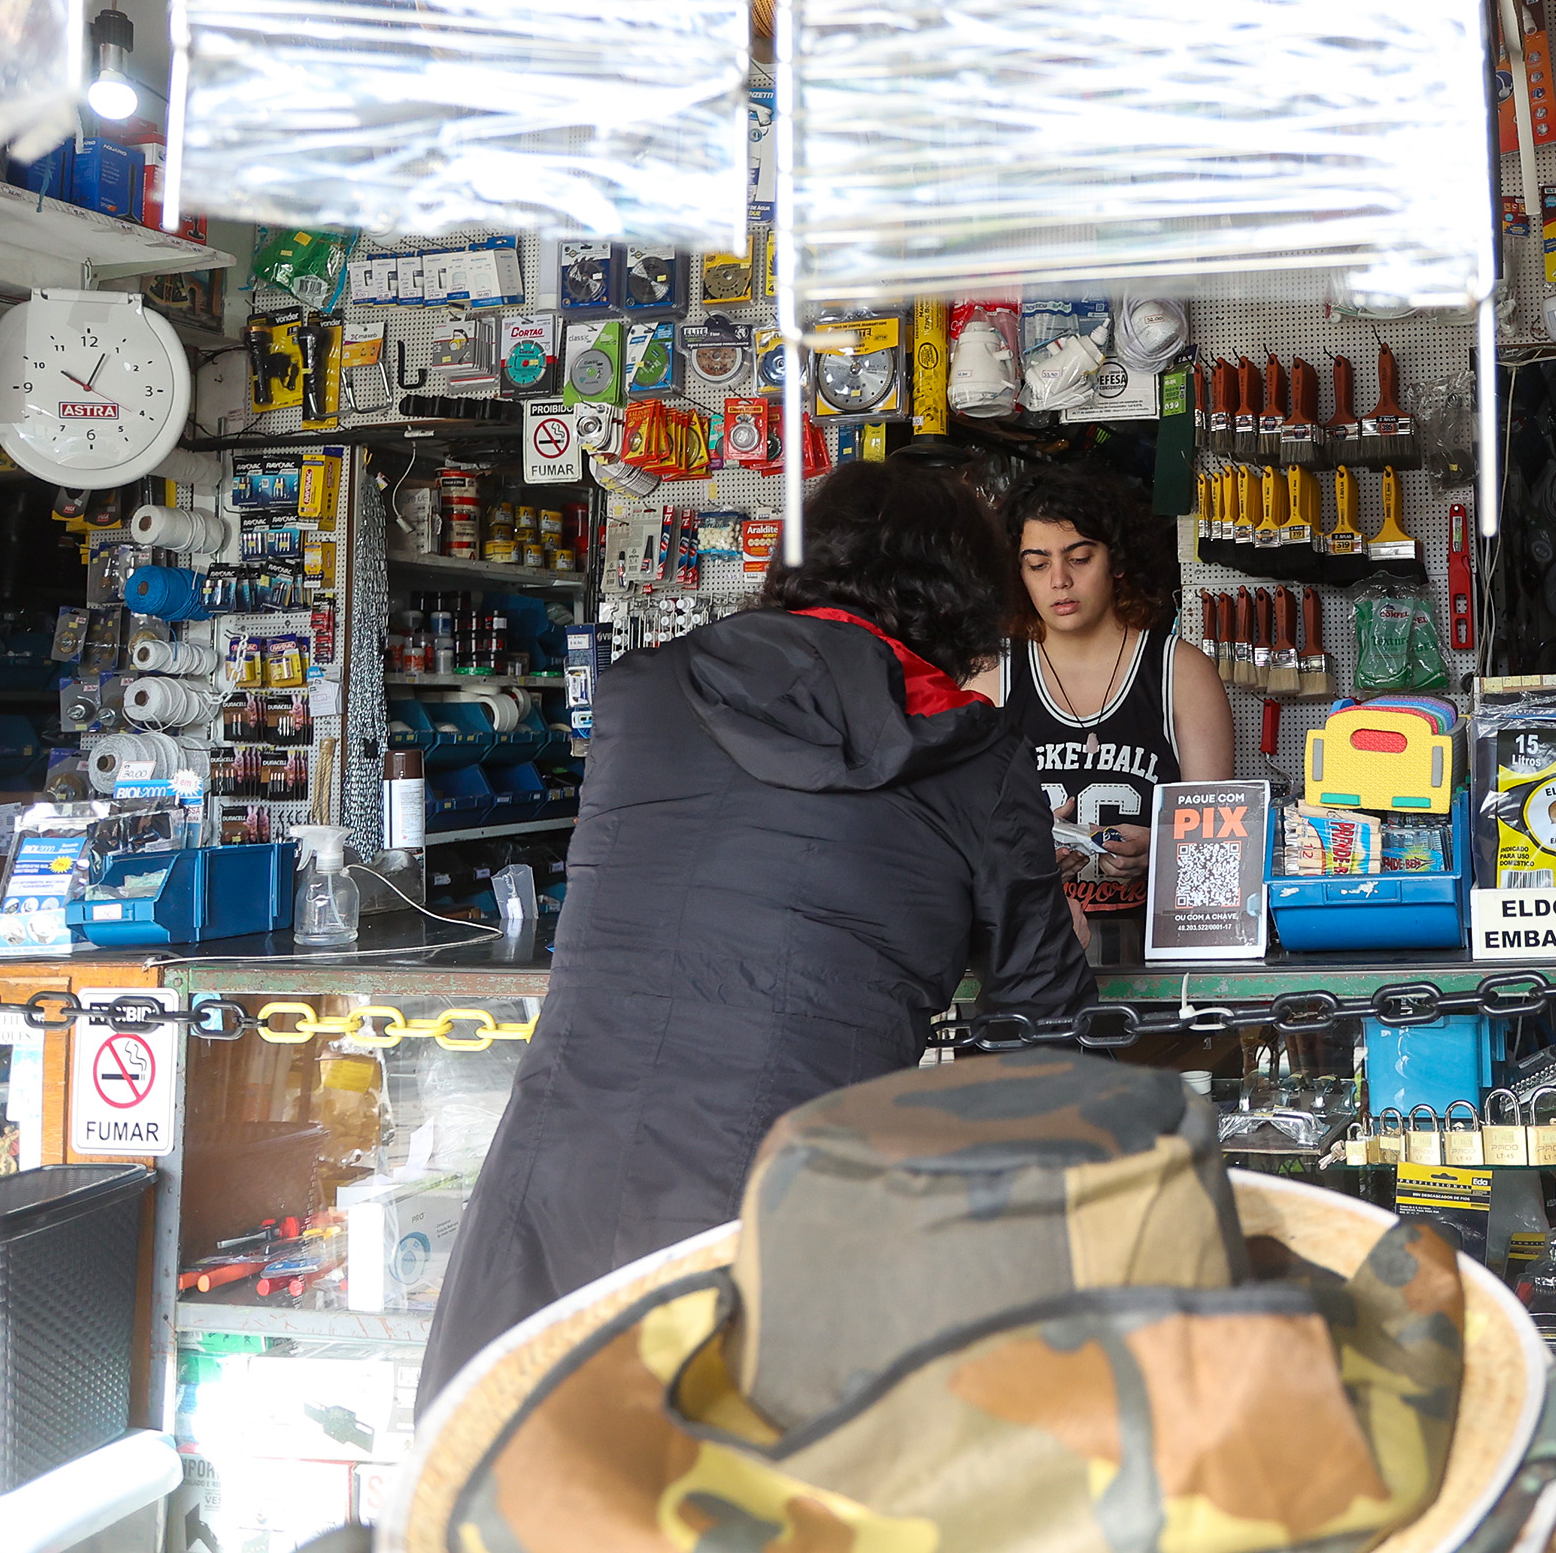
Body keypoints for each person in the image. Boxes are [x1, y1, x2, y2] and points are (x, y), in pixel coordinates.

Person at [419, 461, 1095, 1405]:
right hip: (785, 1215)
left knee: (538, 1484)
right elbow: (1043, 1022)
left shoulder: (644, 696)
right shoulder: (973, 757)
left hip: (558, 1184)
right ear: (966, 597)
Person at [967, 466, 1233, 936]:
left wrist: (1163, 852)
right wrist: (1022, 858)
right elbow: (961, 843)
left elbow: (1218, 849)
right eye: (1037, 563)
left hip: (1161, 949)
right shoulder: (991, 677)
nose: (1059, 580)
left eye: (1080, 558)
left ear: (1118, 561)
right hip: (1031, 953)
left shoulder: (1180, 673)